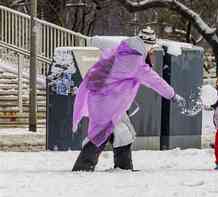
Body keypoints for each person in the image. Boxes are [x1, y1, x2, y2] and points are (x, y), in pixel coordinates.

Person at [72, 36, 184, 171]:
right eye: (152, 50)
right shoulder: (135, 62)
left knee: (121, 134)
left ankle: (122, 167)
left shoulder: (118, 52)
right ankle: (84, 167)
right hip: (108, 103)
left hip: (101, 100)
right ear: (145, 47)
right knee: (101, 134)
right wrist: (173, 95)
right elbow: (155, 81)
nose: (152, 54)